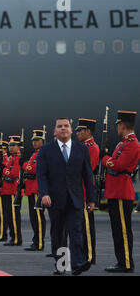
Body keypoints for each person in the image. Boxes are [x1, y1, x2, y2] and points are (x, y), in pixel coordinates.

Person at [37, 117, 96, 275]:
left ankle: (76, 263)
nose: (63, 129)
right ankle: (62, 265)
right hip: (55, 199)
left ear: (71, 130)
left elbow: (88, 175)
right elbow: (41, 175)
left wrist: (91, 198)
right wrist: (44, 194)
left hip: (75, 198)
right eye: (60, 126)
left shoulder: (81, 149)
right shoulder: (46, 150)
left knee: (76, 230)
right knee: (58, 233)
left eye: (66, 126)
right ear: (54, 131)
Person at [102, 110, 140, 273]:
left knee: (123, 230)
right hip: (115, 191)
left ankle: (126, 263)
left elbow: (118, 165)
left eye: (118, 125)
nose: (117, 128)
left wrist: (105, 159)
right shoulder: (122, 143)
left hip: (121, 192)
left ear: (122, 126)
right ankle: (121, 261)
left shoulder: (133, 144)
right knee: (117, 229)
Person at [75, 118, 99, 264]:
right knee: (80, 226)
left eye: (80, 130)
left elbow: (86, 169)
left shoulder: (92, 148)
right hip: (78, 190)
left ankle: (89, 256)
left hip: (84, 190)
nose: (77, 133)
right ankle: (83, 254)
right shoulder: (83, 146)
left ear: (88, 131)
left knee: (87, 228)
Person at [23, 130, 46, 251]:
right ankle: (35, 240)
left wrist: (26, 165)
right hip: (31, 189)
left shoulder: (43, 153)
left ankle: (39, 243)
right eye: (33, 141)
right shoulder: (35, 154)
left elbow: (34, 169)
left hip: (37, 189)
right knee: (33, 217)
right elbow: (29, 168)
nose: (35, 143)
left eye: (37, 140)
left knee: (38, 217)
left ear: (43, 141)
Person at [1, 135, 22, 246]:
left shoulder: (18, 158)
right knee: (9, 215)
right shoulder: (12, 158)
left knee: (14, 216)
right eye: (10, 146)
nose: (10, 148)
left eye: (13, 145)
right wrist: (6, 170)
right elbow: (7, 171)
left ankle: (16, 238)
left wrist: (5, 170)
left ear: (19, 147)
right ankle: (13, 236)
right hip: (8, 190)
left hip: (14, 190)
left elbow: (13, 173)